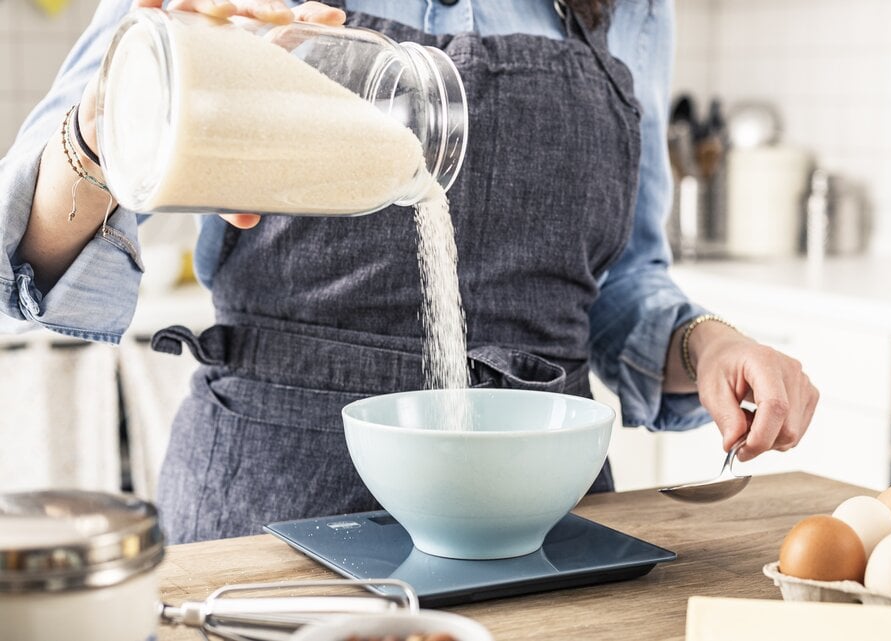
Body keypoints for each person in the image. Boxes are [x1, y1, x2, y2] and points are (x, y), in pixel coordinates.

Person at [0, 0, 819, 543]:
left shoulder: (631, 8)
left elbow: (622, 282)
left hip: (542, 531)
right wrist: (105, 133)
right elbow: (25, 257)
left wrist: (706, 345)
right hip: (270, 518)